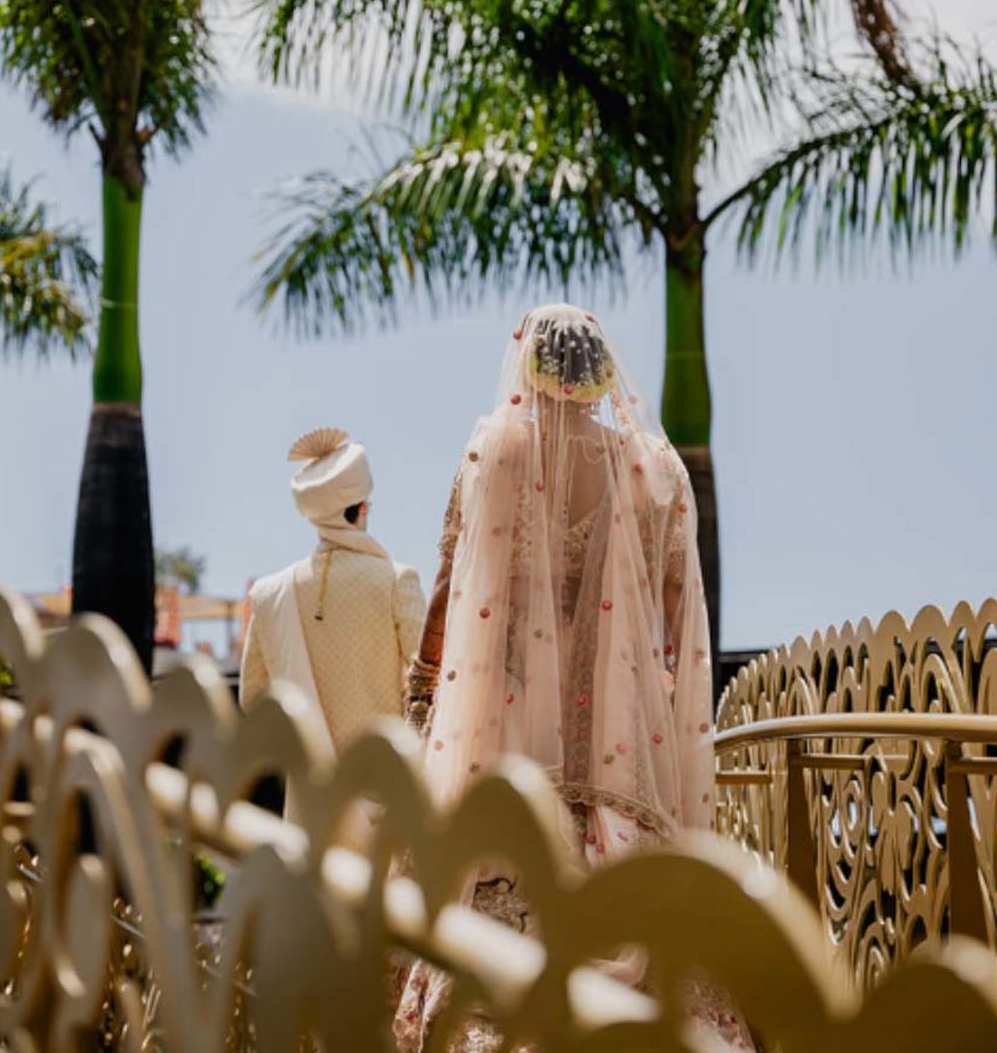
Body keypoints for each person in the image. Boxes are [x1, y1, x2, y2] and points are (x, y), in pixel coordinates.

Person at [397, 304, 747, 1051]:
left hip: (510, 737)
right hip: (625, 745)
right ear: (601, 373)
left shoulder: (495, 450)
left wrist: (426, 682)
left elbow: (451, 585)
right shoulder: (654, 470)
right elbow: (680, 615)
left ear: (528, 365)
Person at [240, 428, 427, 830]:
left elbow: (253, 701)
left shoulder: (270, 594)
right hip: (387, 795)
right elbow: (431, 685)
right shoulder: (397, 580)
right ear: (361, 508)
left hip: (311, 804)